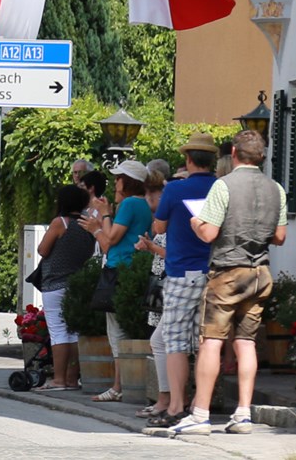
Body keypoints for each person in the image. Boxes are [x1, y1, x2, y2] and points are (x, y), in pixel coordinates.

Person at [173, 130, 287, 435]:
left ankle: (200, 414)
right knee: (246, 342)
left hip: (226, 272)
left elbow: (209, 234)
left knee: (211, 341)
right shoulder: (276, 188)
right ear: (262, 156)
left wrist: (196, 223)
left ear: (234, 152)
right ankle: (243, 414)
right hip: (260, 273)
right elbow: (279, 237)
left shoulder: (223, 186)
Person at [141, 134, 217, 428]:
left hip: (181, 271)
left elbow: (159, 225)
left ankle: (175, 406)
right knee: (205, 341)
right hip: (213, 272)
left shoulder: (175, 190)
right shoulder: (220, 188)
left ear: (187, 159)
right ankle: (199, 405)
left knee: (173, 341)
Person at [82, 160, 152, 402]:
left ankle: (118, 386)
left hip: (120, 269)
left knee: (116, 333)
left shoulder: (130, 204)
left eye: (119, 177)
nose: (115, 182)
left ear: (128, 181)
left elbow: (110, 239)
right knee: (122, 330)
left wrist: (101, 219)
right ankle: (120, 385)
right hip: (132, 268)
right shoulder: (143, 204)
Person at [32, 185, 95, 391]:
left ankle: (58, 379)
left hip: (55, 284)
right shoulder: (88, 226)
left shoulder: (60, 223)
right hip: (77, 284)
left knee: (59, 333)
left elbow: (42, 249)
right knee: (74, 332)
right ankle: (71, 378)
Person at [134, 166, 168, 418]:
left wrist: (151, 247)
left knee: (161, 342)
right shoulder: (165, 214)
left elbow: (173, 253)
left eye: (149, 196)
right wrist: (150, 247)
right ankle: (166, 399)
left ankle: (167, 400)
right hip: (164, 283)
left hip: (172, 285)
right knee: (160, 342)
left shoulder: (170, 214)